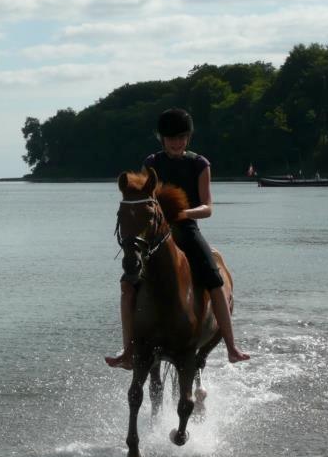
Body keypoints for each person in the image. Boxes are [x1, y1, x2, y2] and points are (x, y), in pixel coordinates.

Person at [105, 108, 250, 369]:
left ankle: (231, 346)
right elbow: (142, 197)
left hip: (186, 229)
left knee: (215, 280)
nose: (177, 142)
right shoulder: (151, 162)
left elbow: (208, 207)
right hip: (155, 235)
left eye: (182, 137)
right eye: (172, 138)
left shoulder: (200, 164)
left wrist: (182, 213)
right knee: (128, 285)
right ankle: (128, 351)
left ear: (188, 137)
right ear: (162, 138)